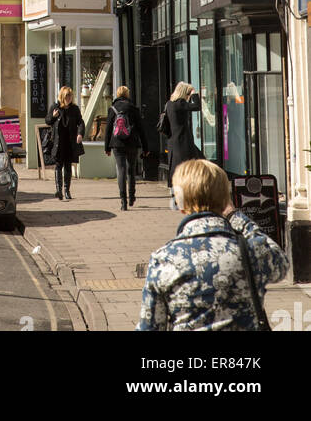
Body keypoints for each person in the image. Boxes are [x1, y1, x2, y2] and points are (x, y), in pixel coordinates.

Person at [138, 158, 287, 331]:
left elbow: (149, 327)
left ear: (180, 203)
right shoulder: (251, 249)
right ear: (226, 199)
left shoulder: (165, 259)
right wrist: (236, 216)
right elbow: (281, 265)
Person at [104, 84, 148, 210]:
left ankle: (123, 201)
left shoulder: (112, 108)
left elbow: (107, 130)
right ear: (127, 94)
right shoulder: (133, 108)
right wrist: (145, 148)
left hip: (117, 143)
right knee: (131, 170)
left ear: (117, 95)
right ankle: (132, 196)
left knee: (121, 169)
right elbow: (141, 129)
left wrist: (106, 147)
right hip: (132, 143)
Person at [162, 81, 202, 208]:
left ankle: (176, 198)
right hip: (183, 141)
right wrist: (194, 94)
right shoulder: (180, 103)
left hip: (173, 141)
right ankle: (187, 197)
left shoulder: (169, 104)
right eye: (188, 93)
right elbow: (197, 106)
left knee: (176, 169)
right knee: (190, 167)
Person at [46, 85, 84, 201]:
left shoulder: (75, 109)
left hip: (70, 141)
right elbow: (47, 121)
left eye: (70, 96)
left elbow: (80, 122)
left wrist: (80, 134)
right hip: (58, 142)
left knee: (68, 166)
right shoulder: (55, 107)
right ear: (62, 96)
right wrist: (53, 116)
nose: (69, 98)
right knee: (58, 165)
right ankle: (59, 190)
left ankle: (67, 191)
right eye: (67, 96)